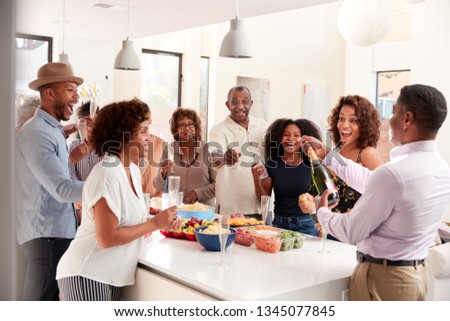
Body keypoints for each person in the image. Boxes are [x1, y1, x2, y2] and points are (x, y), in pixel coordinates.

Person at [309, 84, 450, 300]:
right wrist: (329, 155)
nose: (388, 121)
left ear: (407, 119)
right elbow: (372, 181)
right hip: (416, 276)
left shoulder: (394, 174)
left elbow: (351, 231)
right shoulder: (441, 169)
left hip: (383, 280)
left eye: (394, 112)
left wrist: (322, 212)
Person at [56, 98, 180, 301]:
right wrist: (155, 223)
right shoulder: (107, 174)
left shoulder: (131, 169)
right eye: (143, 131)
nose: (150, 138)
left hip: (109, 275)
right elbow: (107, 237)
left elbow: (128, 221)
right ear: (123, 136)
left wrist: (164, 222)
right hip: (85, 273)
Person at [15, 62, 84, 300]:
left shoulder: (52, 129)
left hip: (54, 235)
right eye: (70, 89)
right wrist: (108, 188)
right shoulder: (37, 133)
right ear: (50, 93)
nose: (77, 96)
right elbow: (63, 189)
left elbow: (56, 173)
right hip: (46, 238)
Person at [299, 95, 383, 240]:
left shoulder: (367, 153)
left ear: (365, 125)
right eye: (341, 118)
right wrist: (309, 203)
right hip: (329, 234)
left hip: (356, 237)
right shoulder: (334, 154)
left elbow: (384, 196)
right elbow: (322, 196)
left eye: (353, 120)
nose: (344, 125)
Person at [252, 118, 322, 235]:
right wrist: (256, 179)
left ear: (304, 140)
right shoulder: (272, 165)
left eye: (296, 135)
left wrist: (321, 228)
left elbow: (322, 199)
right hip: (280, 224)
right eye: (286, 135)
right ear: (279, 138)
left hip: (307, 224)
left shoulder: (312, 165)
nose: (290, 139)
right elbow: (263, 200)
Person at [208, 85, 267, 215]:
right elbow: (214, 156)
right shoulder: (218, 130)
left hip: (260, 207)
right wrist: (224, 158)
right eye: (235, 102)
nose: (240, 106)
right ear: (227, 105)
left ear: (251, 104)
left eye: (245, 101)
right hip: (230, 210)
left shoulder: (263, 126)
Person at [154, 108, 216, 206]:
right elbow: (158, 187)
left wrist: (197, 193)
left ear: (196, 127)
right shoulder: (168, 149)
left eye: (190, 124)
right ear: (176, 129)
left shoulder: (208, 149)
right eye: (182, 125)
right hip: (177, 211)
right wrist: (163, 173)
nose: (186, 128)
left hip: (203, 213)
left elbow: (218, 186)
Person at [68, 100, 102, 181]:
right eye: (87, 122)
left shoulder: (106, 148)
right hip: (79, 192)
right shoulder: (74, 145)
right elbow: (70, 174)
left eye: (94, 121)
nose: (90, 126)